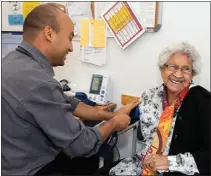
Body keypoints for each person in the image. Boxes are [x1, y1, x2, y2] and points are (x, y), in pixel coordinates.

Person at [1, 3, 140, 176]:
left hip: (11, 161)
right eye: (69, 37)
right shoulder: (39, 82)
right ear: (49, 34)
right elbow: (82, 145)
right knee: (90, 156)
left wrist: (113, 114)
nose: (71, 47)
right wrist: (113, 124)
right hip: (31, 169)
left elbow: (66, 101)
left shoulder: (12, 61)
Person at [95, 42, 210, 176]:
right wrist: (117, 117)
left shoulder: (203, 101)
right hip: (142, 164)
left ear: (192, 75)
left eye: (186, 69)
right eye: (172, 67)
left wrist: (168, 162)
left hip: (178, 170)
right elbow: (126, 118)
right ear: (162, 69)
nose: (178, 74)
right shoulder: (150, 96)